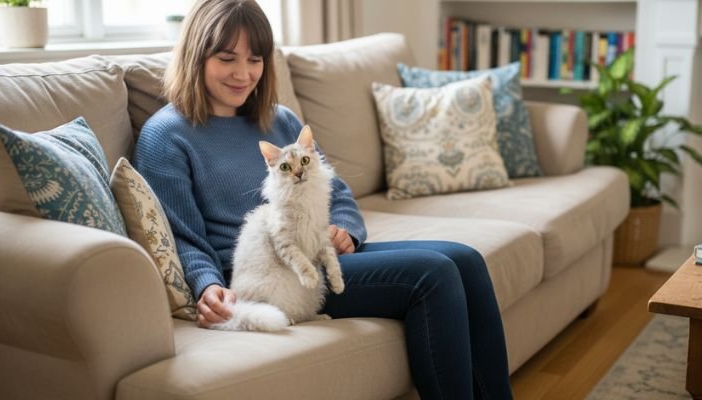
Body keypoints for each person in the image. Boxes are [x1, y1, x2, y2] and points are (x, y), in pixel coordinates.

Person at [133, 0, 514, 398]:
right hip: (271, 273)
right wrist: (207, 284)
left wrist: (346, 230)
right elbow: (183, 236)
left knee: (467, 259)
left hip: (317, 247)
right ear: (196, 55)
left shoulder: (278, 119)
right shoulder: (167, 135)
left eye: (255, 59)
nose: (243, 74)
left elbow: (338, 192)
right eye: (227, 58)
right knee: (432, 274)